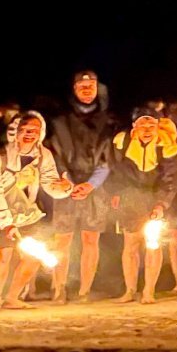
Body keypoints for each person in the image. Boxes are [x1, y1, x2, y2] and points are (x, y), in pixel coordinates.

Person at [0, 112, 74, 310]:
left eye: (34, 130)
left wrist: (65, 187)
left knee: (34, 256)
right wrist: (6, 223)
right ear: (15, 132)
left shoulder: (44, 155)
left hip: (27, 212)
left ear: (41, 133)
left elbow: (50, 183)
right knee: (2, 255)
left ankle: (12, 297)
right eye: (24, 130)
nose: (29, 134)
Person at [46, 71, 115, 304]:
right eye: (82, 85)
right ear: (74, 89)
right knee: (62, 240)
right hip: (65, 186)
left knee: (90, 240)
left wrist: (90, 185)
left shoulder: (108, 121)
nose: (87, 89)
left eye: (91, 85)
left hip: (95, 188)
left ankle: (84, 290)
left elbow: (109, 157)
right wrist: (68, 181)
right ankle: (59, 288)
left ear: (98, 88)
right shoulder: (59, 121)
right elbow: (53, 154)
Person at [108, 109, 177, 304]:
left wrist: (161, 203)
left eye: (151, 125)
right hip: (131, 197)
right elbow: (115, 170)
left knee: (153, 244)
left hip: (154, 197)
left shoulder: (166, 145)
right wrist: (116, 192)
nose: (147, 129)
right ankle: (130, 290)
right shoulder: (122, 143)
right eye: (143, 125)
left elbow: (171, 178)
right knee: (130, 244)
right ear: (135, 128)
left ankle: (149, 291)